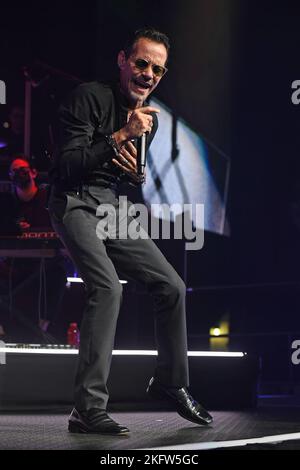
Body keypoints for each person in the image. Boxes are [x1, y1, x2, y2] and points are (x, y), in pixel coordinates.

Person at [48, 28, 213, 435]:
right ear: (123, 60)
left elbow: (126, 175)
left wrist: (128, 169)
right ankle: (86, 409)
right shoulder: (90, 96)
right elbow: (66, 166)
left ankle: (171, 382)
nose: (148, 74)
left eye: (157, 69)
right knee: (108, 288)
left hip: (111, 205)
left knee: (171, 285)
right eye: (142, 63)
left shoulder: (147, 120)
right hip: (74, 200)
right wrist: (120, 135)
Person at [0, 157, 66, 339]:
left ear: (33, 172)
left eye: (22, 170)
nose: (18, 175)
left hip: (42, 265)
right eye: (14, 171)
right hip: (15, 265)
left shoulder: (47, 199)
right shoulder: (7, 203)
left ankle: (44, 323)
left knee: (58, 274)